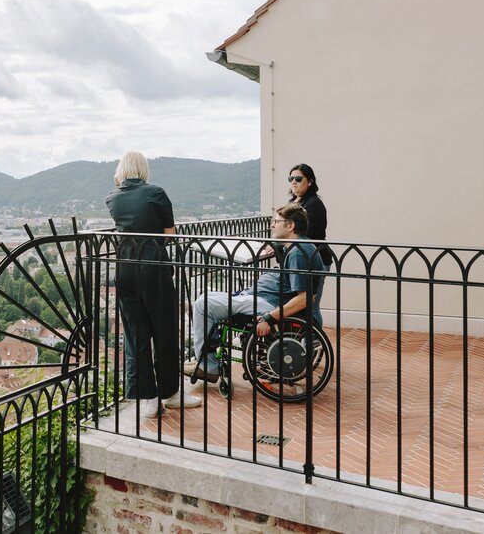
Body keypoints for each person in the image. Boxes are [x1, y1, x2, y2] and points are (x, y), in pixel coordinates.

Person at [106, 151, 201, 417]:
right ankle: (170, 393)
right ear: (143, 168)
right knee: (164, 331)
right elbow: (170, 235)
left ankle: (147, 398)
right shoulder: (156, 193)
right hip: (154, 269)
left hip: (124, 270)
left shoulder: (112, 198)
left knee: (136, 335)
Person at [189, 203, 325, 382]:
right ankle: (205, 359)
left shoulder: (298, 254)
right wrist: (277, 246)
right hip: (264, 298)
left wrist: (270, 318)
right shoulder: (299, 245)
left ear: (290, 225)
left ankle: (208, 366)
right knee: (207, 298)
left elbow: (304, 299)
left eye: (276, 221)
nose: (271, 225)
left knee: (202, 304)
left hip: (269, 303)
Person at [287, 163, 333, 269]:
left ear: (310, 181)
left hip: (315, 258)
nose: (293, 182)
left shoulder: (314, 203)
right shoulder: (292, 202)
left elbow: (310, 233)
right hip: (299, 255)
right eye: (291, 178)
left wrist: (282, 243)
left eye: (298, 178)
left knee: (310, 286)